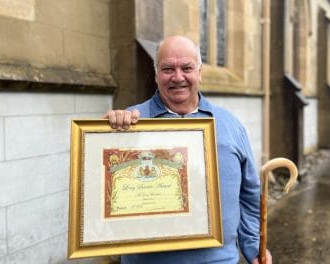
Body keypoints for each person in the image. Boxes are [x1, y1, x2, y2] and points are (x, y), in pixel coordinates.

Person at [104, 35, 272, 264]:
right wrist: (108, 135)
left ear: (200, 72)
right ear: (156, 74)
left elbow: (249, 194)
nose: (178, 77)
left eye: (187, 68)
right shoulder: (131, 124)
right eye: (167, 69)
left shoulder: (230, 125)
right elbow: (103, 192)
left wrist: (254, 246)